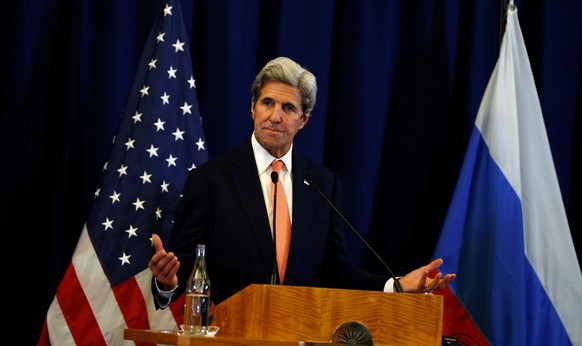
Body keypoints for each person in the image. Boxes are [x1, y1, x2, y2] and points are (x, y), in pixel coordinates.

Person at [148, 56, 455, 308]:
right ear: (252, 107)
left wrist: (396, 285)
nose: (275, 116)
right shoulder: (210, 180)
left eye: (288, 108)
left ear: (304, 120)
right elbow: (183, 267)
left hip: (300, 335)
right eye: (267, 103)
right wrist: (166, 283)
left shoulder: (323, 183)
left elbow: (336, 271)